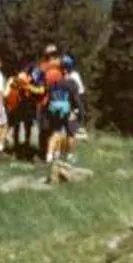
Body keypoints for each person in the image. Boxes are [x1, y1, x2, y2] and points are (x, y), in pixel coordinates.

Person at [41, 49, 84, 183]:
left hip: (55, 111)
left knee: (55, 133)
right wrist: (80, 112)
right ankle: (69, 156)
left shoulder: (54, 83)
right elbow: (77, 100)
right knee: (71, 134)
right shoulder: (72, 83)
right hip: (69, 111)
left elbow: (49, 98)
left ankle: (49, 156)